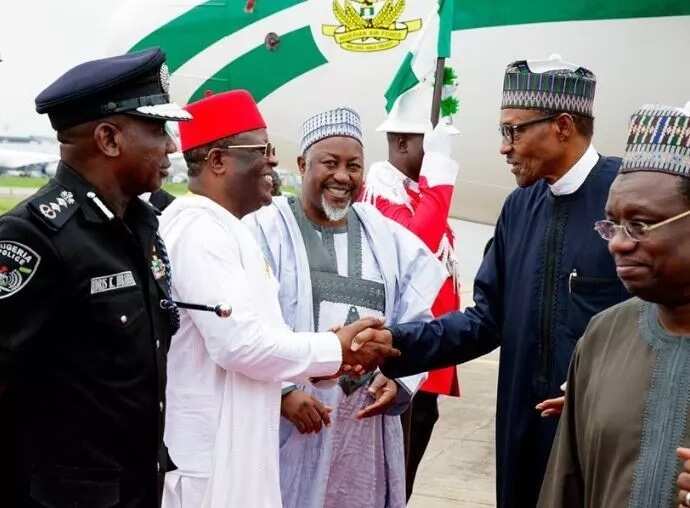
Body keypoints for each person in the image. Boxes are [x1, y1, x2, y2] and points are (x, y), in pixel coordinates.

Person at [355, 54, 630, 508]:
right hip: (522, 440)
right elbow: (485, 322)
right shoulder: (519, 211)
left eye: (514, 130)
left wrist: (600, 392)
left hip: (600, 440)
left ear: (563, 126)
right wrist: (395, 343)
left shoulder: (627, 203)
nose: (504, 147)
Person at [158, 92, 398, 508]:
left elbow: (260, 338)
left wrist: (333, 361)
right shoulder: (200, 231)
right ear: (218, 161)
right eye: (261, 150)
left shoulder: (229, 229)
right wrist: (331, 348)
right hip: (213, 460)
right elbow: (240, 344)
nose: (272, 161)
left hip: (241, 445)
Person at [0, 47, 192, 507]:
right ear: (109, 139)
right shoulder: (33, 238)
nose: (171, 146)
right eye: (157, 128)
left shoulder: (141, 225)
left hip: (138, 486)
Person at [247, 106, 446, 508]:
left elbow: (420, 314)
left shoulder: (384, 234)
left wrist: (402, 380)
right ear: (303, 164)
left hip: (363, 428)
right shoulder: (264, 227)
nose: (343, 176)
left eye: (354, 165)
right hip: (287, 421)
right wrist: (282, 393)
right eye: (330, 163)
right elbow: (246, 320)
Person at [537, 101, 690, 508]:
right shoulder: (604, 335)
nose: (619, 243)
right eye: (614, 224)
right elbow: (563, 486)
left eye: (640, 225)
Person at [362, 83, 461, 498]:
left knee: (420, 426)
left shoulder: (412, 191)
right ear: (402, 141)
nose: (439, 155)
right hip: (402, 347)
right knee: (400, 443)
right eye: (431, 144)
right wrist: (440, 178)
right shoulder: (381, 191)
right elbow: (418, 242)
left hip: (426, 346)